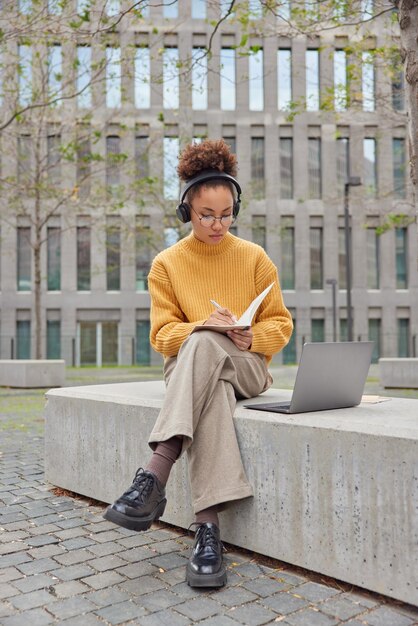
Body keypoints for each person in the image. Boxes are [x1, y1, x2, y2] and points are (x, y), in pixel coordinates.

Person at [104, 139, 293, 588]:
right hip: (192, 366)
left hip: (248, 364)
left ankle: (154, 475)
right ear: (186, 208)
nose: (217, 224)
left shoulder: (254, 257)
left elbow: (282, 324)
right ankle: (207, 530)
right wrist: (202, 326)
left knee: (211, 347)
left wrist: (252, 335)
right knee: (208, 369)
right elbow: (161, 336)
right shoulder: (167, 264)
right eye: (207, 215)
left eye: (226, 214)